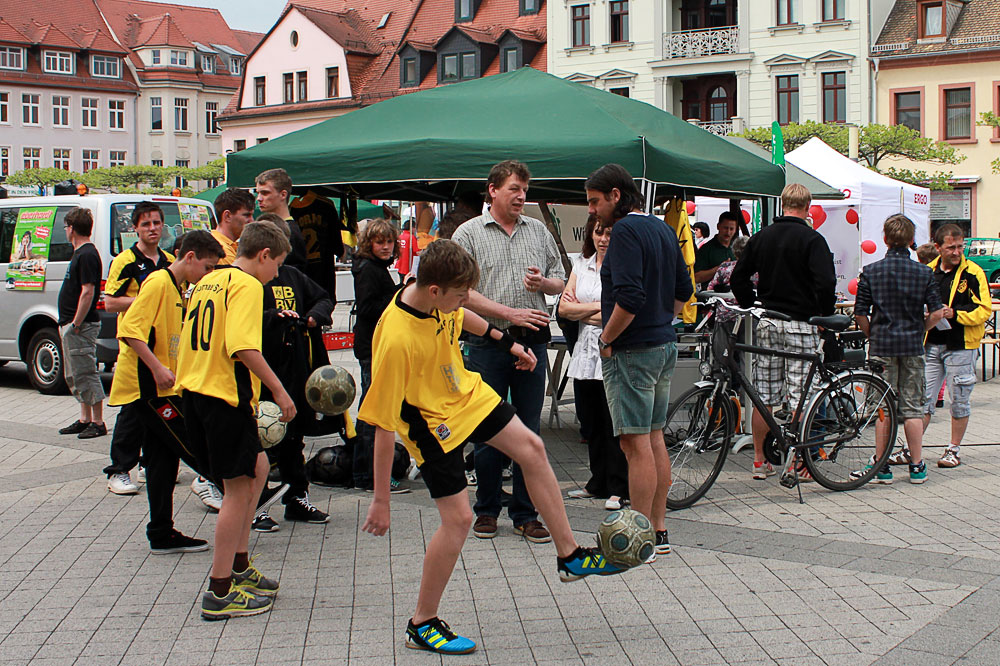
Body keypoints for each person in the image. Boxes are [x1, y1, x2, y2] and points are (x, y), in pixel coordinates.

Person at [360, 240, 623, 655]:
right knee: (459, 520)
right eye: (459, 294)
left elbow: (463, 316)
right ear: (434, 292)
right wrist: (380, 499)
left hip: (463, 393)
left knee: (533, 448)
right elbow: (378, 425)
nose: (466, 301)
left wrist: (509, 342)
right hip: (430, 424)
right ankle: (422, 622)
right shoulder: (395, 339)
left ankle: (569, 555)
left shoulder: (435, 294)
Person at [174, 221, 296, 620]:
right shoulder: (246, 285)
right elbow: (242, 346)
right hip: (220, 396)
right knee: (237, 490)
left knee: (257, 468)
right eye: (276, 264)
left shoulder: (211, 279)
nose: (276, 274)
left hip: (196, 391)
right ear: (263, 256)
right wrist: (279, 390)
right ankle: (220, 591)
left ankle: (240, 567)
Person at [451, 160, 565, 545]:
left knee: (529, 429)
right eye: (514, 189)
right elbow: (461, 293)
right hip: (488, 341)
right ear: (493, 190)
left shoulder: (538, 230)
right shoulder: (468, 234)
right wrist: (506, 312)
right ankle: (486, 509)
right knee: (487, 427)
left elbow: (561, 280)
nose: (521, 196)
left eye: (525, 190)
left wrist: (544, 282)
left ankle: (525, 514)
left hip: (532, 338)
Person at [586, 163, 693, 559]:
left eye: (596, 202)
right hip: (663, 343)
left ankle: (641, 537)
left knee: (636, 446)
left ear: (616, 195)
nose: (593, 211)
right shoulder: (663, 228)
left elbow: (628, 298)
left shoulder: (627, 230)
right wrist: (659, 321)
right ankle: (658, 531)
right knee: (652, 438)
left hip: (632, 349)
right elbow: (684, 291)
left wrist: (607, 338)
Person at [110, 230, 225, 553]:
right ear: (189, 257)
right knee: (193, 444)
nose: (208, 275)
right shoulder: (159, 282)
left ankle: (161, 532)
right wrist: (158, 368)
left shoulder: (179, 288)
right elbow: (130, 331)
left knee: (162, 462)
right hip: (147, 387)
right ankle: (246, 494)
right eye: (206, 267)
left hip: (163, 386)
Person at [731, 183, 837, 481]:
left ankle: (759, 460)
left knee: (764, 395)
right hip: (801, 323)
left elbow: (740, 276)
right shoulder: (813, 239)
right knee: (801, 397)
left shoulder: (762, 237)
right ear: (807, 207)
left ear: (782, 204)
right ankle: (797, 461)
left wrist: (751, 302)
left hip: (768, 321)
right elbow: (826, 283)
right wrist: (822, 314)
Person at [256, 216, 335, 529]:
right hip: (262, 372)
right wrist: (275, 316)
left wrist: (315, 316)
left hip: (295, 369)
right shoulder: (248, 282)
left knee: (294, 438)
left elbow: (324, 297)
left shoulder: (293, 275)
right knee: (261, 440)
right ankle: (257, 503)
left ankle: (297, 497)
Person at [853, 215, 944, 485]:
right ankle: (916, 466)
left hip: (882, 344)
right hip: (912, 345)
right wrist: (922, 328)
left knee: (883, 408)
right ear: (911, 240)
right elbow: (938, 313)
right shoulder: (925, 272)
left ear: (885, 239)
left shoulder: (871, 271)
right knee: (914, 408)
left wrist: (873, 333)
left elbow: (860, 314)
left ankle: (882, 467)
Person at [102, 202, 174, 495]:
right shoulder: (125, 261)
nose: (153, 228)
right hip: (135, 344)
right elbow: (110, 302)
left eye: (157, 223)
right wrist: (145, 301)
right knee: (133, 408)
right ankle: (119, 469)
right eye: (146, 224)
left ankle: (149, 462)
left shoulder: (169, 260)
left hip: (164, 345)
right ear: (135, 228)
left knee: (161, 406)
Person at [559, 214, 629, 511]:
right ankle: (596, 481)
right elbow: (563, 308)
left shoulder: (624, 265)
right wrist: (595, 310)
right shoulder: (581, 264)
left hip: (611, 349)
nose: (603, 239)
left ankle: (618, 486)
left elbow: (619, 311)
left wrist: (581, 310)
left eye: (609, 234)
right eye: (598, 233)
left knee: (612, 420)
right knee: (590, 420)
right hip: (584, 351)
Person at [910, 224, 990, 470]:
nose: (956, 252)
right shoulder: (927, 271)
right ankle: (912, 449)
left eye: (960, 246)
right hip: (931, 344)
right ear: (938, 248)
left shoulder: (973, 273)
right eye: (951, 247)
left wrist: (954, 313)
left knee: (959, 399)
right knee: (923, 400)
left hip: (961, 345)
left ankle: (953, 449)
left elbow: (984, 310)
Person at [351, 218, 409, 493]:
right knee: (373, 412)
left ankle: (371, 473)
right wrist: (399, 294)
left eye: (389, 242)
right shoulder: (367, 269)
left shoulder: (376, 267)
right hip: (372, 347)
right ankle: (369, 475)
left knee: (375, 410)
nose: (386, 247)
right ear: (369, 244)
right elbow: (367, 308)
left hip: (375, 346)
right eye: (380, 242)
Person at [56, 208, 107, 441]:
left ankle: (98, 421)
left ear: (72, 229)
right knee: (74, 374)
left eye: (66, 227)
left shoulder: (86, 254)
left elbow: (88, 291)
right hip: (71, 323)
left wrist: (76, 323)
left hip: (81, 325)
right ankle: (84, 418)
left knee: (86, 372)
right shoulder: (79, 253)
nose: (65, 231)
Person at [256, 168, 307, 271]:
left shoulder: (291, 232)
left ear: (283, 195)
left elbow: (292, 275)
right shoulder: (265, 227)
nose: (259, 198)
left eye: (265, 193)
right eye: (258, 193)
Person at [693, 211, 738, 289]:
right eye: (725, 228)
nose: (728, 232)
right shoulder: (706, 249)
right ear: (718, 226)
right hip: (712, 297)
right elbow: (696, 277)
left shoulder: (738, 248)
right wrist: (719, 269)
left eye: (731, 229)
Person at [212, 188, 255, 266]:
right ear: (227, 216)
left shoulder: (226, 245)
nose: (252, 221)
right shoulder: (222, 251)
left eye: (252, 215)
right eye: (246, 215)